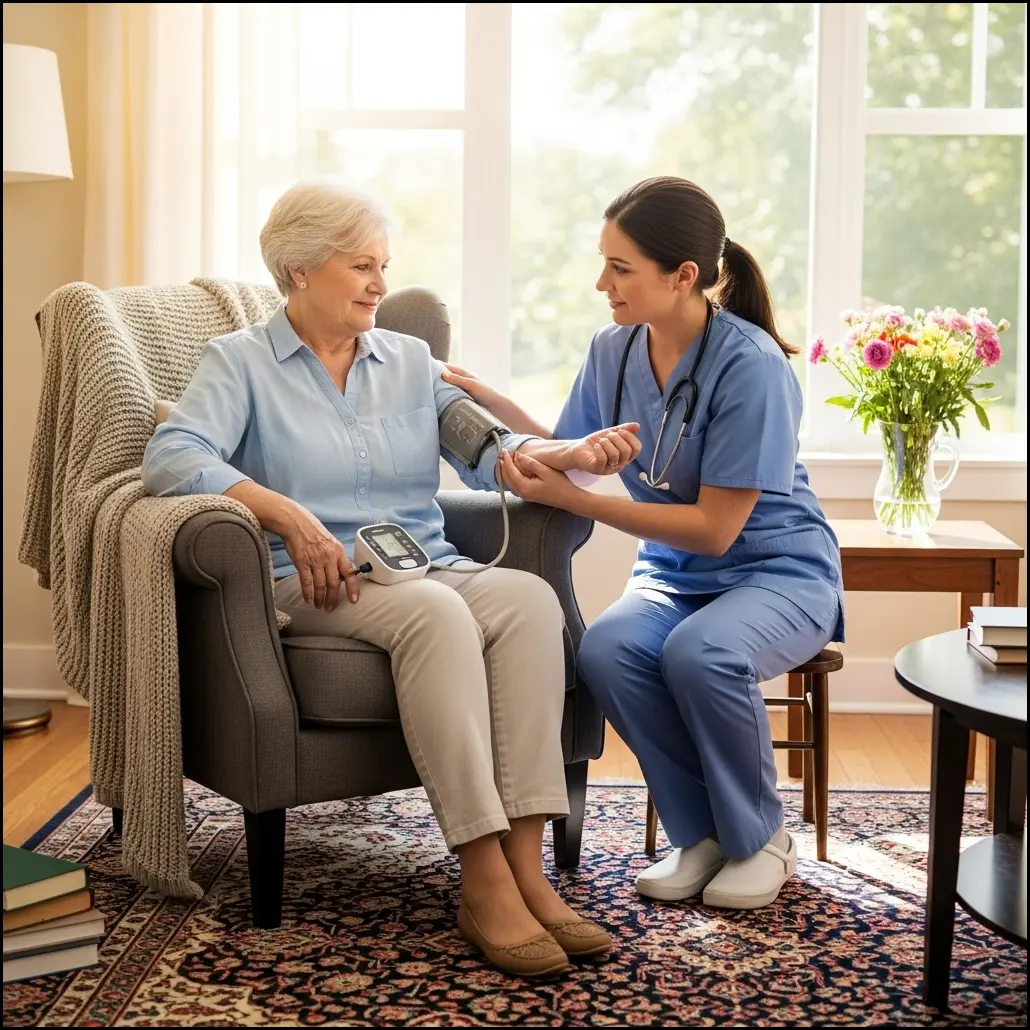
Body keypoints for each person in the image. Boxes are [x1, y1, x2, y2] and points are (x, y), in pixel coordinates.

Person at [142, 181, 645, 976]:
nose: (381, 284)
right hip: (314, 584)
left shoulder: (409, 362)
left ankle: (527, 873)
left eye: (384, 265)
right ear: (300, 269)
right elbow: (172, 458)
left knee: (526, 599)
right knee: (436, 617)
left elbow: (490, 446)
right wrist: (282, 512)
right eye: (362, 266)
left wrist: (568, 454)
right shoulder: (240, 364)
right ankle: (480, 879)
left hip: (423, 566)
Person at [443, 176, 844, 911]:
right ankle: (703, 835)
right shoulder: (615, 349)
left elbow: (718, 528)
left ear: (683, 276)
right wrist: (491, 406)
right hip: (672, 574)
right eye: (605, 264)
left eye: (620, 268)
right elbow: (576, 447)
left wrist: (569, 495)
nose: (603, 284)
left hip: (776, 572)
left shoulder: (751, 366)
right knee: (606, 650)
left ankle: (761, 840)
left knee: (703, 652)